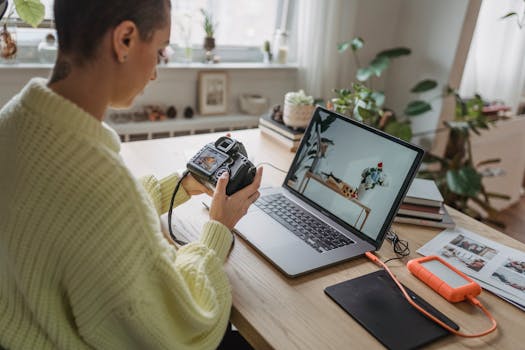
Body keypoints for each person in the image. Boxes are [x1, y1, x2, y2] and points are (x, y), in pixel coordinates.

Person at [0, 1, 263, 349]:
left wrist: (181, 186)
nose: (156, 72)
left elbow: (78, 213)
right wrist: (218, 229)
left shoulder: (13, 123)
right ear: (124, 39)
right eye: (159, 50)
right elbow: (183, 328)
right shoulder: (102, 189)